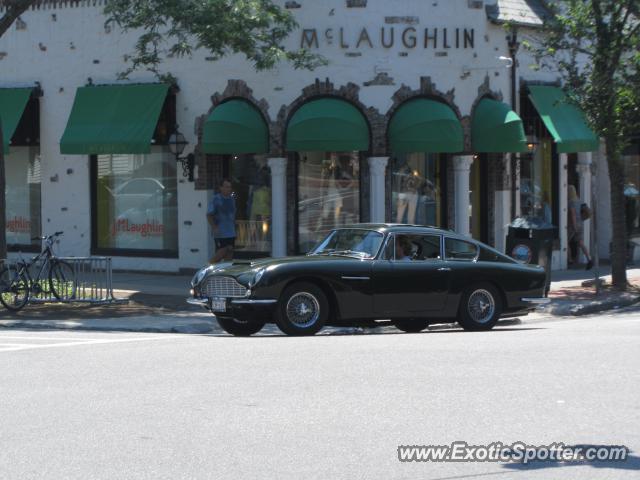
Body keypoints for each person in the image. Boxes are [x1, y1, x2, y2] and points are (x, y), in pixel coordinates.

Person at [207, 178, 236, 264]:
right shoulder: (216, 199)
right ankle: (206, 269)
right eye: (226, 187)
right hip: (221, 232)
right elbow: (209, 215)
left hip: (231, 232)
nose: (229, 189)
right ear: (221, 188)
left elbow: (233, 215)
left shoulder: (232, 199)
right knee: (221, 253)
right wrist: (214, 227)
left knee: (230, 252)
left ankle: (225, 273)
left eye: (230, 187)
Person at [568, 185, 593, 270]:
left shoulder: (571, 202)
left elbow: (573, 214)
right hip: (580, 224)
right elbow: (589, 212)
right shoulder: (580, 201)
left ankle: (570, 260)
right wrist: (582, 219)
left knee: (565, 242)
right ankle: (589, 259)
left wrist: (574, 226)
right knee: (581, 243)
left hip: (573, 226)